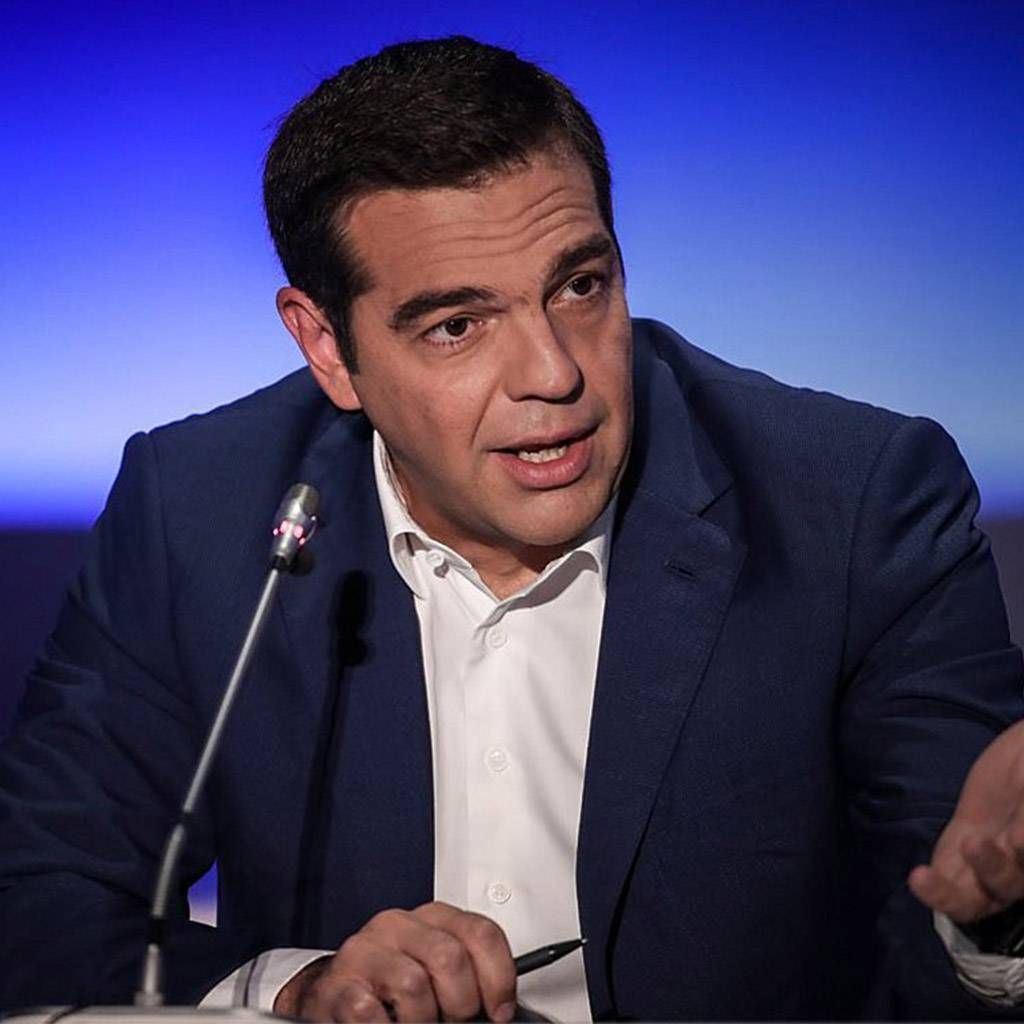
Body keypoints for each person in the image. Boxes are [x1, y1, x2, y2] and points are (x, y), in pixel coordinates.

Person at [1, 35, 1022, 1022]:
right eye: (457, 325)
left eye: (580, 286)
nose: (553, 373)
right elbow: (33, 900)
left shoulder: (853, 503)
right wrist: (297, 989)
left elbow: (952, 912)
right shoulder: (197, 512)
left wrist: (990, 924)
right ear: (328, 349)